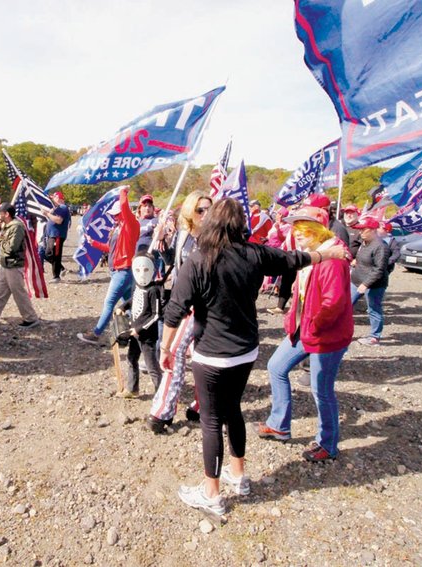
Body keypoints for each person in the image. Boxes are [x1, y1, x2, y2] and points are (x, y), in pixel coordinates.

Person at [163, 198, 346, 516]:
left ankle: (211, 493)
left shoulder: (199, 259)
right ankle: (239, 474)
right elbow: (293, 260)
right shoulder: (254, 253)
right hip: (246, 351)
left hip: (213, 355)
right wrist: (324, 254)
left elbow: (175, 310)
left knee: (211, 422)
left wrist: (166, 349)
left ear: (212, 223)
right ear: (239, 225)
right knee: (233, 411)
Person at [255, 206, 353, 462]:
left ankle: (328, 444)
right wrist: (293, 322)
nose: (297, 234)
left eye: (304, 229)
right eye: (295, 229)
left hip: (326, 336)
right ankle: (279, 424)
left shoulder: (332, 260)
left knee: (322, 390)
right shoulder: (312, 256)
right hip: (303, 330)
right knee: (276, 366)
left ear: (319, 229)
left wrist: (314, 327)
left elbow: (334, 304)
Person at [148, 190, 211, 432]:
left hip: (202, 305)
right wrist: (161, 239)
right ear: (189, 212)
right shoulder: (184, 234)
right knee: (183, 355)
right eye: (200, 209)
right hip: (181, 302)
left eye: (209, 209)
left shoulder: (213, 238)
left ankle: (164, 411)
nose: (206, 214)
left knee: (181, 354)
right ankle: (191, 407)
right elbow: (171, 261)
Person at [77, 187, 140, 344]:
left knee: (109, 303)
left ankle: (96, 334)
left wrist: (123, 192)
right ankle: (138, 333)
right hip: (120, 271)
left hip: (123, 270)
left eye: (115, 215)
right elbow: (111, 249)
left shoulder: (130, 225)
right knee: (131, 306)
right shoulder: (119, 228)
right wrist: (94, 243)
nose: (113, 217)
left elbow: (125, 207)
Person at [0, 202, 41, 328]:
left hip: (14, 265)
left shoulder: (16, 226)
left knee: (19, 293)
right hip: (4, 265)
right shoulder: (6, 225)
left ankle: (31, 318)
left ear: (6, 214)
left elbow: (11, 248)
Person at [116, 252, 164, 398]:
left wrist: (139, 329)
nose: (142, 274)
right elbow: (133, 299)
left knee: (152, 366)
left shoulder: (154, 290)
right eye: (138, 270)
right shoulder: (137, 286)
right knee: (131, 359)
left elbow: (156, 315)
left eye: (146, 270)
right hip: (133, 332)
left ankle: (161, 395)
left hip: (146, 336)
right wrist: (123, 306)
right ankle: (132, 389)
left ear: (152, 270)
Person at [350, 217, 390, 346]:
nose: (360, 232)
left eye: (363, 229)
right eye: (359, 230)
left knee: (373, 309)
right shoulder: (364, 242)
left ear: (372, 230)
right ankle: (341, 332)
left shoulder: (381, 247)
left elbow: (379, 269)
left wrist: (366, 284)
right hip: (356, 280)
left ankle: (374, 336)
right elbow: (363, 257)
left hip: (374, 284)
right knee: (345, 305)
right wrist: (356, 260)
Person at [42, 190, 71, 282]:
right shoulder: (57, 208)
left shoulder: (62, 207)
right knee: (48, 254)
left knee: (54, 254)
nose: (52, 200)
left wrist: (47, 214)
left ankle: (56, 276)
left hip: (57, 235)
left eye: (54, 198)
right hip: (52, 235)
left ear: (58, 198)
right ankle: (61, 269)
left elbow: (59, 220)